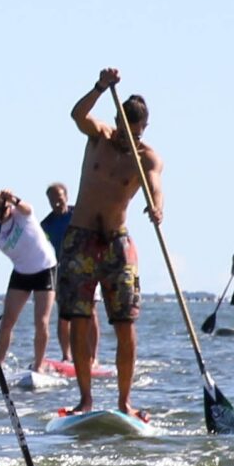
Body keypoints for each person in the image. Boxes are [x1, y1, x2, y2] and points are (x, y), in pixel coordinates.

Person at [59, 68, 160, 420]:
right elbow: (77, 115)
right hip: (80, 239)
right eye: (123, 129)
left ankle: (124, 401)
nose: (126, 138)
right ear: (116, 121)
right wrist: (100, 87)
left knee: (124, 324)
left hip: (117, 243)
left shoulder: (146, 157)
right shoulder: (99, 135)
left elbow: (154, 182)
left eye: (134, 134)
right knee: (79, 319)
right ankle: (85, 399)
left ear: (143, 131)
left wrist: (156, 205)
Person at [0, 189, 56, 370]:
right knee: (7, 322)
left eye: (0, 210)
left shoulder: (22, 215)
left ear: (9, 207)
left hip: (45, 268)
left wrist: (14, 199)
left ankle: (39, 366)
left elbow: (27, 207)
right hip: (21, 273)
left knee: (41, 321)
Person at [39, 183, 73, 256]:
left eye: (59, 200)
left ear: (66, 197)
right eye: (52, 201)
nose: (56, 204)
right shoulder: (45, 226)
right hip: (64, 264)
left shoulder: (79, 213)